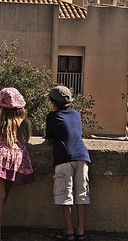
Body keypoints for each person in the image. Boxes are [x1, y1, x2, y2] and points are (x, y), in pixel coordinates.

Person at [0, 88, 35, 240]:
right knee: (5, 193)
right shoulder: (23, 121)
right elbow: (25, 140)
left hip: (2, 156)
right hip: (18, 158)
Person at [45, 86, 91, 241]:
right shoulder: (76, 114)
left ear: (53, 103)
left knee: (66, 196)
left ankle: (70, 232)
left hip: (64, 157)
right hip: (83, 156)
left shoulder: (51, 117)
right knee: (82, 195)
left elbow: (49, 138)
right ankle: (81, 231)